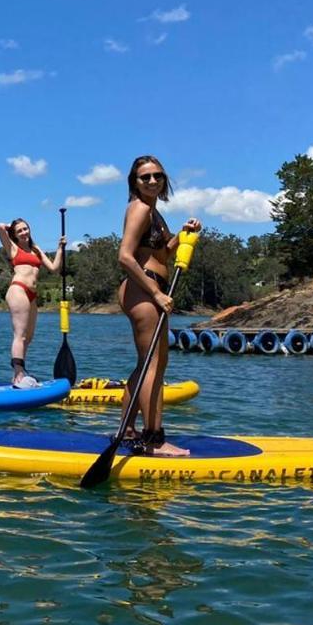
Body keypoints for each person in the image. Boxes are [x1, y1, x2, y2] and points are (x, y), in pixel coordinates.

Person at [116, 156, 201, 456]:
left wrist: (183, 234)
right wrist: (155, 292)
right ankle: (154, 439)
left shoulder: (155, 213)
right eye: (145, 177)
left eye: (158, 176)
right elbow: (125, 256)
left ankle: (127, 429)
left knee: (146, 363)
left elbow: (162, 254)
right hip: (144, 290)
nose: (152, 181)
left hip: (149, 289)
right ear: (134, 182)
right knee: (155, 364)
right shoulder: (139, 209)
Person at [0, 219, 66, 388]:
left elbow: (54, 268)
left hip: (33, 295)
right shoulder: (13, 248)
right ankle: (20, 373)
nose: (23, 233)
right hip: (18, 290)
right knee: (19, 335)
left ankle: (16, 376)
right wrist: (11, 228)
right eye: (19, 231)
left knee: (28, 337)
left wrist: (60, 248)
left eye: (25, 229)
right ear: (14, 233)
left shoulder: (36, 249)